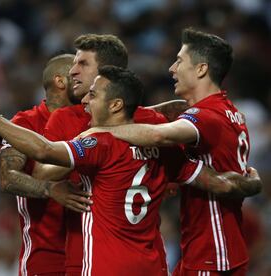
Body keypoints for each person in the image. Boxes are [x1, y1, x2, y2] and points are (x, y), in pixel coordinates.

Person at [0, 66, 261, 276]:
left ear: (116, 104)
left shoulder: (99, 143)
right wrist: (251, 181)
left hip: (106, 267)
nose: (85, 100)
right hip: (153, 267)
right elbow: (220, 183)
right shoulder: (165, 148)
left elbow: (43, 152)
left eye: (94, 95)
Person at [79, 28, 261, 275]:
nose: (171, 69)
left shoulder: (207, 116)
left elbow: (158, 135)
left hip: (211, 254)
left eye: (179, 61)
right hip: (212, 249)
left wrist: (100, 130)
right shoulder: (231, 113)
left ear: (201, 69)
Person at [38, 33, 171, 275]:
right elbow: (42, 170)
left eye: (83, 64)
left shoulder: (152, 121)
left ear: (107, 72)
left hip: (148, 255)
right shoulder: (65, 118)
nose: (73, 71)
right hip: (86, 253)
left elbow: (172, 170)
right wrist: (59, 178)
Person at [0, 53, 91, 276]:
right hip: (46, 255)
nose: (84, 80)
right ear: (60, 81)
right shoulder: (25, 123)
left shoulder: (91, 118)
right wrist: (49, 190)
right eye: (76, 74)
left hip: (90, 250)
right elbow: (7, 177)